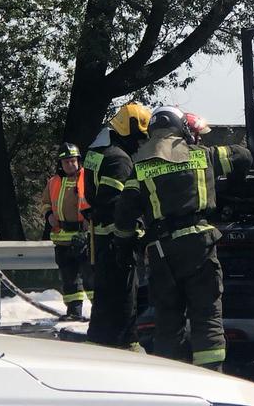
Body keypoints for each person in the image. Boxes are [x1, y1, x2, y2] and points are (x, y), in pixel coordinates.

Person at [113, 106, 252, 370]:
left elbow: (124, 215)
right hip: (199, 246)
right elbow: (243, 156)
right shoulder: (205, 155)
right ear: (181, 129)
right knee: (207, 315)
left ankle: (173, 382)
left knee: (167, 320)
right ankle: (212, 378)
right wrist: (231, 183)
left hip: (161, 251)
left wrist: (124, 243)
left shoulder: (140, 167)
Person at [85, 102, 150, 350]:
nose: (140, 143)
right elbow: (117, 205)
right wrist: (134, 233)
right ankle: (128, 344)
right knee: (124, 295)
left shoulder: (97, 152)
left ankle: (97, 342)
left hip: (100, 237)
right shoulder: (119, 161)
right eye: (138, 137)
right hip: (116, 239)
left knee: (103, 297)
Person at [41, 143, 92, 320]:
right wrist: (48, 215)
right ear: (60, 164)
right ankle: (74, 312)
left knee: (90, 278)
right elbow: (46, 202)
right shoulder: (53, 181)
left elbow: (93, 203)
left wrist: (88, 227)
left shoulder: (87, 178)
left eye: (73, 161)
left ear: (78, 161)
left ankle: (101, 312)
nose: (70, 165)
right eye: (66, 162)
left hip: (82, 237)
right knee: (69, 279)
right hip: (62, 238)